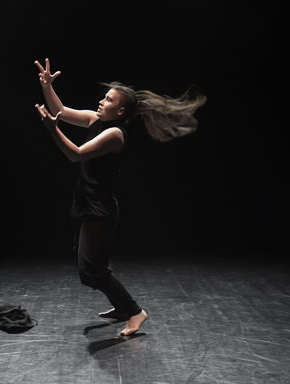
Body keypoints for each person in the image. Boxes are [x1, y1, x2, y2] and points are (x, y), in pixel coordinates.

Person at [34, 58, 206, 336]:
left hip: (99, 209)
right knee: (92, 267)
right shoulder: (95, 120)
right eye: (104, 97)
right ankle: (122, 306)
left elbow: (75, 154)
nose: (101, 101)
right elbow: (61, 110)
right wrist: (47, 86)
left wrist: (53, 130)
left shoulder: (115, 134)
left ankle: (135, 312)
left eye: (109, 99)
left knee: (91, 270)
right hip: (88, 203)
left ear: (121, 110)